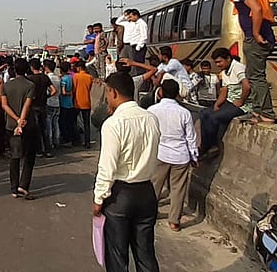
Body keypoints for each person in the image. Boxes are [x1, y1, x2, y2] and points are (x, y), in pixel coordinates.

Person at [93, 71, 162, 272]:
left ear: (113, 92)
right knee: (145, 253)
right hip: (146, 192)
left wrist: (99, 198)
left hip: (120, 195)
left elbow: (107, 167)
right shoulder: (151, 118)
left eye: (107, 93)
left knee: (117, 256)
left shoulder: (113, 124)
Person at [224, 0, 277, 123]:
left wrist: (255, 33)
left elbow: (257, 9)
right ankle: (258, 112)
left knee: (256, 77)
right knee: (254, 76)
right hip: (264, 36)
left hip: (255, 40)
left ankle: (265, 114)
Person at [148, 80, 198, 231]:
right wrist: (194, 156)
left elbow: (148, 133)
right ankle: (174, 221)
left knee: (154, 186)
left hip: (160, 153)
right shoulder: (184, 113)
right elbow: (191, 137)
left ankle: (150, 213)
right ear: (177, 94)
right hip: (180, 155)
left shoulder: (152, 110)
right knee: (178, 189)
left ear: (161, 92)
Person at [199, 48, 252, 157]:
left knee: (214, 118)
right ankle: (205, 145)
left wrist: (241, 100)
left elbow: (247, 86)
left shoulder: (238, 68)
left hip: (242, 105)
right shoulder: (224, 71)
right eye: (216, 62)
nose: (218, 65)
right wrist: (217, 104)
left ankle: (213, 145)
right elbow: (224, 90)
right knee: (204, 113)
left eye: (219, 62)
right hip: (229, 101)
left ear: (228, 59)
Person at [2, 61, 38, 199]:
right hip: (27, 126)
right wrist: (21, 122)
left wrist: (16, 120)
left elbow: (4, 105)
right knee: (29, 155)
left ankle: (14, 187)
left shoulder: (6, 86)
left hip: (11, 125)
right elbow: (27, 106)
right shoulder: (30, 85)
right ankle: (23, 185)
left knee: (15, 156)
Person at [26, 59, 56, 158]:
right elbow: (54, 90)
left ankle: (39, 150)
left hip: (33, 106)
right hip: (43, 105)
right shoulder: (45, 77)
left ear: (31, 67)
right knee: (45, 129)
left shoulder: (29, 79)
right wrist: (47, 96)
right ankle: (48, 150)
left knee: (36, 129)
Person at [72, 62, 95, 147]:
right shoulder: (89, 77)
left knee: (74, 121)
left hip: (77, 102)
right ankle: (87, 142)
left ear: (78, 68)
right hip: (87, 102)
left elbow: (74, 89)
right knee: (86, 123)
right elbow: (89, 88)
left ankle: (77, 139)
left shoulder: (76, 76)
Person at [43, 60, 61, 157]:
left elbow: (51, 91)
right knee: (56, 123)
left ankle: (49, 143)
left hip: (49, 102)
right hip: (57, 102)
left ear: (46, 68)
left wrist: (47, 96)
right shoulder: (58, 78)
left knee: (49, 125)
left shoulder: (48, 78)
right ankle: (57, 141)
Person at [57, 62, 76, 145]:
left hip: (64, 103)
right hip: (70, 103)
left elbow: (63, 92)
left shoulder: (63, 79)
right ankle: (73, 138)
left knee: (62, 122)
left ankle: (67, 139)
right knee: (70, 122)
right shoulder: (71, 78)